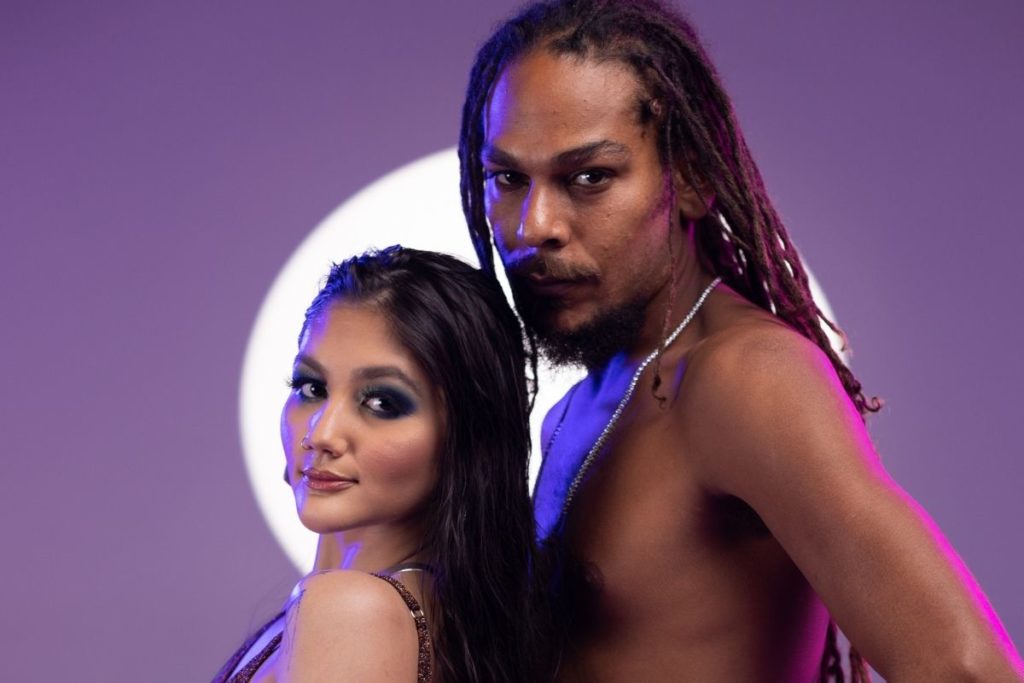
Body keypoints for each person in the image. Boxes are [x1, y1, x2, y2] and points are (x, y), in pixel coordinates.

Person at [458, 0, 1024, 680]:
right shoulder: (576, 408)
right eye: (508, 179)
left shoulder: (746, 377)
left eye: (589, 178)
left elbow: (968, 671)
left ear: (692, 176)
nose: (533, 226)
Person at [213, 246, 541, 682]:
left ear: (467, 437)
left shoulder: (352, 613)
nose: (321, 434)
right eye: (311, 388)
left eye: (382, 403)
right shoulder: (431, 613)